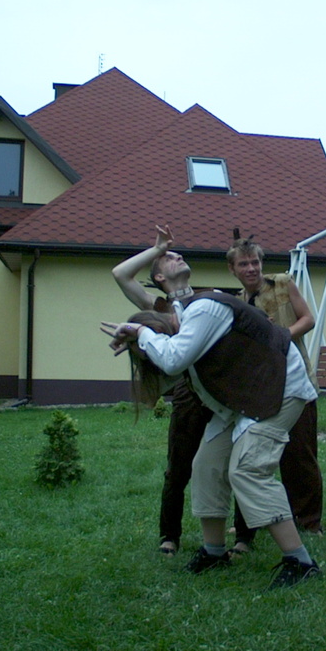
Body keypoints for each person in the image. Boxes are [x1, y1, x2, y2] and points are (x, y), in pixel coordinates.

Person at [103, 231, 322, 589]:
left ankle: (300, 562)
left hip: (280, 389)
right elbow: (172, 363)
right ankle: (213, 551)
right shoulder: (179, 312)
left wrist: (142, 334)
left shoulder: (204, 308)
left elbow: (173, 359)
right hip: (244, 401)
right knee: (206, 464)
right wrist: (139, 339)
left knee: (247, 469)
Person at [111, 226, 211, 556]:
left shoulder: (208, 300)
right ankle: (169, 535)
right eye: (170, 259)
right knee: (178, 467)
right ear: (159, 278)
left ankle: (243, 534)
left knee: (229, 463)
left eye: (178, 254)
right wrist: (157, 250)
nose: (178, 256)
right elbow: (120, 274)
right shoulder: (159, 306)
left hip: (220, 391)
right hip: (188, 393)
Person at [226, 233, 324, 552]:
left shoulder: (282, 283)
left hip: (297, 382)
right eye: (244, 264)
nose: (251, 268)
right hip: (261, 389)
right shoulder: (237, 303)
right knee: (251, 457)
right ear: (232, 269)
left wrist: (280, 336)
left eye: (255, 262)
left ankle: (309, 521)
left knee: (301, 456)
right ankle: (253, 522)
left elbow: (308, 319)